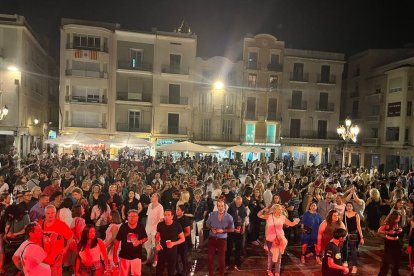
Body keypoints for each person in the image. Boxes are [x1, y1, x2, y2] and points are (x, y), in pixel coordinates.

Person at [257, 203, 300, 276]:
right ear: (274, 210)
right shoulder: (269, 216)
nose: (280, 211)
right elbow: (259, 215)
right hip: (270, 239)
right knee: (270, 256)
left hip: (280, 239)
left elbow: (291, 224)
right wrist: (265, 209)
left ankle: (277, 271)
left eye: (281, 209)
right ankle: (269, 270)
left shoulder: (283, 217)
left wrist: (296, 221)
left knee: (279, 256)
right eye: (279, 209)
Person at [39, 205, 73, 276]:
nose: (50, 215)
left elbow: (70, 237)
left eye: (52, 213)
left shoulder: (61, 225)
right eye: (48, 213)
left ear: (56, 213)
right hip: (43, 257)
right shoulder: (39, 224)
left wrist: (65, 248)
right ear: (45, 214)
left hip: (56, 258)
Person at [113, 209, 148, 276]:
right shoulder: (123, 227)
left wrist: (139, 241)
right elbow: (117, 240)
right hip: (124, 255)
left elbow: (145, 238)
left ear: (138, 217)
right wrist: (115, 255)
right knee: (123, 274)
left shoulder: (141, 226)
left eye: (134, 216)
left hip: (137, 255)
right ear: (127, 217)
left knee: (136, 274)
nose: (132, 218)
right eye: (130, 216)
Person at [206, 199, 234, 276]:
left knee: (221, 259)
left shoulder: (229, 217)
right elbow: (207, 224)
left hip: (222, 240)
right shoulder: (212, 214)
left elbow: (232, 229)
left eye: (222, 206)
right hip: (212, 239)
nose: (220, 208)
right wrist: (211, 228)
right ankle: (210, 274)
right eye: (219, 206)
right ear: (217, 206)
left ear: (224, 207)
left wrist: (223, 230)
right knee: (210, 258)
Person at [154, 209, 185, 276]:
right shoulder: (160, 225)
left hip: (172, 250)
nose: (166, 217)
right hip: (162, 249)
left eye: (168, 215)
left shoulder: (177, 225)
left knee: (171, 270)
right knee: (159, 269)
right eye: (165, 215)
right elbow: (157, 237)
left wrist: (173, 243)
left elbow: (183, 239)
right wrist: (157, 244)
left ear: (172, 216)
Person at [377, 210, 403, 276]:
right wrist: (388, 232)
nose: (398, 219)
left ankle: (395, 274)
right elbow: (379, 230)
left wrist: (400, 230)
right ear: (393, 218)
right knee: (386, 261)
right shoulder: (387, 224)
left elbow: (401, 228)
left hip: (396, 242)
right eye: (397, 218)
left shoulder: (398, 223)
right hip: (389, 243)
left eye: (399, 218)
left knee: (397, 261)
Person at [226, 196, 247, 271]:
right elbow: (228, 218)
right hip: (231, 227)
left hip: (239, 227)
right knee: (229, 246)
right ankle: (227, 263)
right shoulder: (231, 206)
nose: (238, 203)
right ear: (235, 201)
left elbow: (244, 218)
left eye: (240, 202)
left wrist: (243, 227)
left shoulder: (243, 207)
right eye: (237, 202)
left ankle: (237, 263)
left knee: (239, 246)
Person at [343, 202, 364, 274]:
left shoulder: (356, 214)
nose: (348, 207)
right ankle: (345, 262)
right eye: (347, 206)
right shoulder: (344, 214)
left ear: (352, 207)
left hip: (353, 233)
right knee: (344, 248)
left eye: (350, 206)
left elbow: (358, 226)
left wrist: (361, 237)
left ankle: (354, 266)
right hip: (344, 234)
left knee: (353, 250)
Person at [144, 193, 164, 266]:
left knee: (155, 246)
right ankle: (149, 258)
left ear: (157, 198)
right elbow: (148, 217)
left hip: (155, 229)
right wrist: (146, 227)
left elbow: (161, 219)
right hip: (148, 228)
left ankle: (155, 260)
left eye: (152, 196)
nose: (151, 197)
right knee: (147, 244)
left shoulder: (160, 207)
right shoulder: (149, 205)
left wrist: (159, 230)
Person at [175, 204, 191, 276]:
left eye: (178, 210)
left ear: (182, 212)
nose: (176, 211)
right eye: (176, 209)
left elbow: (187, 232)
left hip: (184, 242)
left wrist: (180, 236)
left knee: (183, 257)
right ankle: (178, 270)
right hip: (176, 241)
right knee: (175, 256)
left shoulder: (185, 219)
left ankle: (185, 271)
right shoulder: (175, 218)